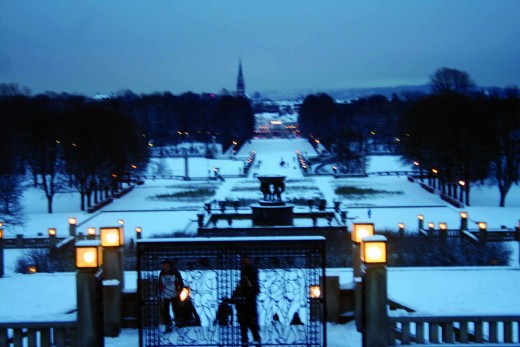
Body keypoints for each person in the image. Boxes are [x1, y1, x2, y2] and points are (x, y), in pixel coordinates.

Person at [231, 255, 261, 347]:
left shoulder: (250, 272)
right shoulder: (244, 273)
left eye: (244, 259)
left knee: (249, 329)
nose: (242, 261)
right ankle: (253, 341)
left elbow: (255, 290)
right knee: (248, 329)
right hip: (246, 312)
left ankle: (251, 341)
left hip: (246, 312)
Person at [157, 259, 184, 333]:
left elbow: (181, 283)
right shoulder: (162, 273)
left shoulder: (175, 272)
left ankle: (178, 323)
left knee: (176, 309)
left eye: (164, 264)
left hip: (174, 294)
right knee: (166, 310)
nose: (162, 266)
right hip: (165, 295)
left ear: (168, 265)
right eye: (162, 264)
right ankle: (168, 324)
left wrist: (179, 291)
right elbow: (160, 284)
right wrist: (160, 293)